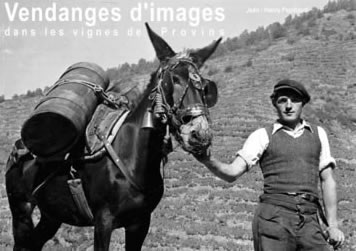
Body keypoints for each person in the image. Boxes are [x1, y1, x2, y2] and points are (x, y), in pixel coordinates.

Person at [195, 79, 345, 250]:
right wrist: (207, 159)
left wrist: (332, 225)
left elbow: (328, 181)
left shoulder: (319, 134)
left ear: (303, 102)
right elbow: (232, 172)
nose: (289, 106)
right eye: (282, 100)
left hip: (309, 219)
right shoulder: (261, 136)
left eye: (294, 99)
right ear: (275, 104)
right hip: (274, 218)